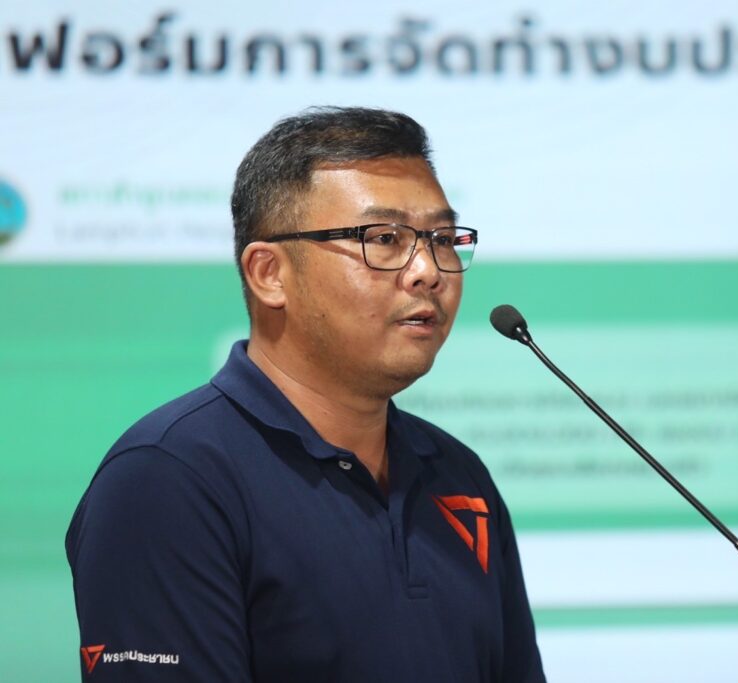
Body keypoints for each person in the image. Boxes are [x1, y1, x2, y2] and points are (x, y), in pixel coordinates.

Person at [66, 107, 546, 682]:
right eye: (384, 239)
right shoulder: (169, 477)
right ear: (269, 274)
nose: (428, 271)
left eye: (442, 239)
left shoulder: (457, 474)